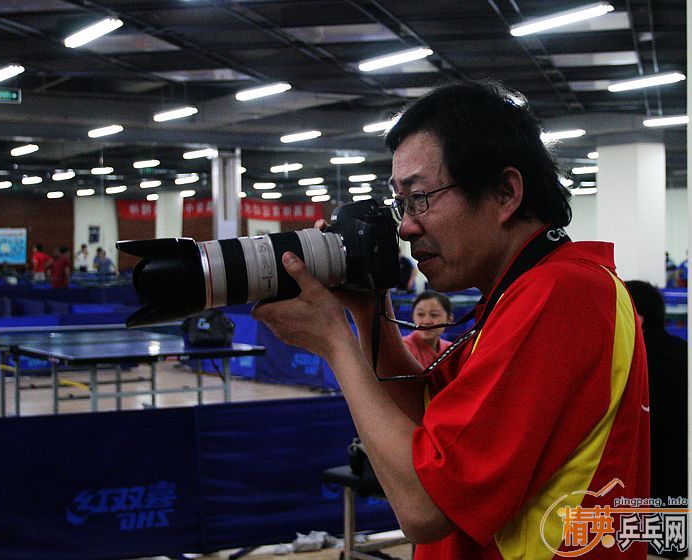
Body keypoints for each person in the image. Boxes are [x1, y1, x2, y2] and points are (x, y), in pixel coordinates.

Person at [252, 80, 649, 559]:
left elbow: (425, 507)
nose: (405, 226)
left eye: (420, 197)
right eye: (400, 204)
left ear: (505, 192)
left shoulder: (563, 293)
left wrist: (335, 343)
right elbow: (424, 422)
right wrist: (367, 308)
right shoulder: (521, 294)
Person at [625, 281, 687, 559]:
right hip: (678, 487)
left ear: (637, 318)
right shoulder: (683, 352)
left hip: (642, 492)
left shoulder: (631, 359)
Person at [402, 291, 453, 369]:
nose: (426, 321)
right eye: (420, 314)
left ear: (449, 319)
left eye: (434, 315)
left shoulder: (453, 350)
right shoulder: (403, 349)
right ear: (413, 316)